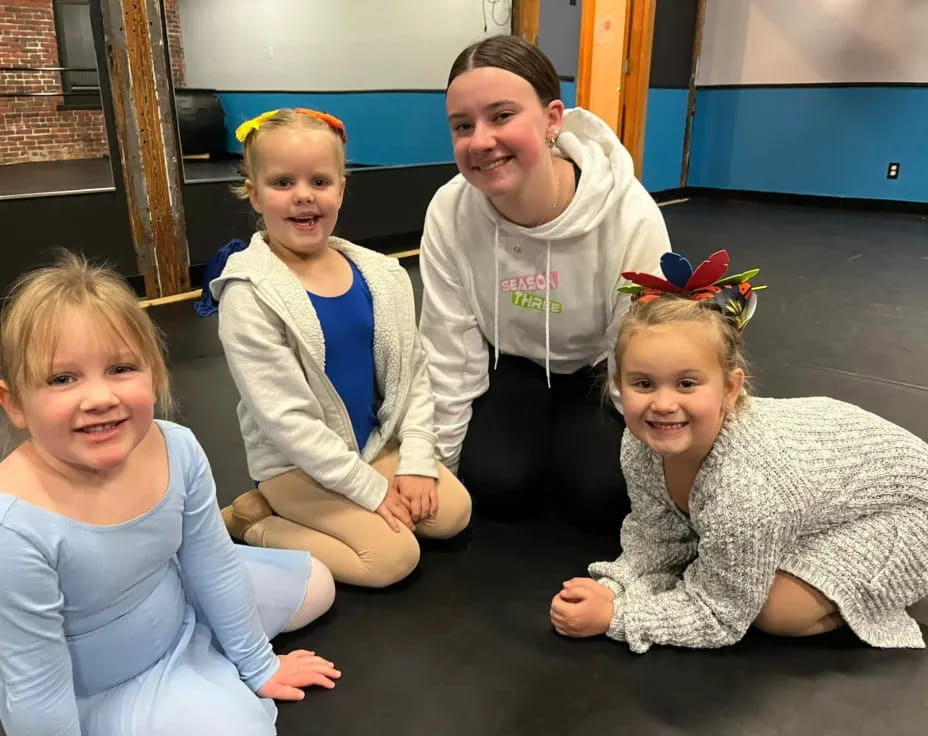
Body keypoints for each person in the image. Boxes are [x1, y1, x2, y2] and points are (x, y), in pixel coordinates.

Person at [0, 253, 339, 736]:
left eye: (120, 368)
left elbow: (212, 562)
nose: (99, 398)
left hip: (173, 605)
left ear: (154, 376)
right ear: (14, 405)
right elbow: (36, 692)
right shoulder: (14, 528)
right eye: (62, 379)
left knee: (317, 585)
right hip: (105, 681)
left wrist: (259, 665)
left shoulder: (174, 446)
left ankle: (214, 653)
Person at [550, 249, 928, 652]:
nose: (662, 404)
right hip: (809, 491)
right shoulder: (640, 443)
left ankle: (866, 594)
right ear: (618, 385)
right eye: (643, 384)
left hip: (907, 510)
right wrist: (616, 586)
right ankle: (779, 544)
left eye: (686, 384)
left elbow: (720, 614)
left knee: (776, 611)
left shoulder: (746, 492)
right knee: (733, 554)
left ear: (730, 389)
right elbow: (656, 532)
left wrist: (618, 617)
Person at [418, 35, 670, 532]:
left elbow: (645, 345)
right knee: (493, 486)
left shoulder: (628, 213)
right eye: (462, 126)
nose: (481, 140)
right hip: (511, 365)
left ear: (553, 118)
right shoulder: (449, 211)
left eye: (502, 115)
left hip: (600, 371)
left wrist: (659, 476)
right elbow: (449, 345)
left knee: (603, 496)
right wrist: (438, 468)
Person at [213, 108, 471, 588]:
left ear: (341, 188)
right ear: (253, 193)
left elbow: (411, 376)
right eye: (283, 182)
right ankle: (258, 522)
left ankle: (296, 509)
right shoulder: (249, 295)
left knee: (452, 513)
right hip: (298, 464)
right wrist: (371, 493)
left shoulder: (383, 275)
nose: (304, 195)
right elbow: (288, 424)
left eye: (319, 181)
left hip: (371, 446)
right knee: (392, 558)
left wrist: (414, 461)